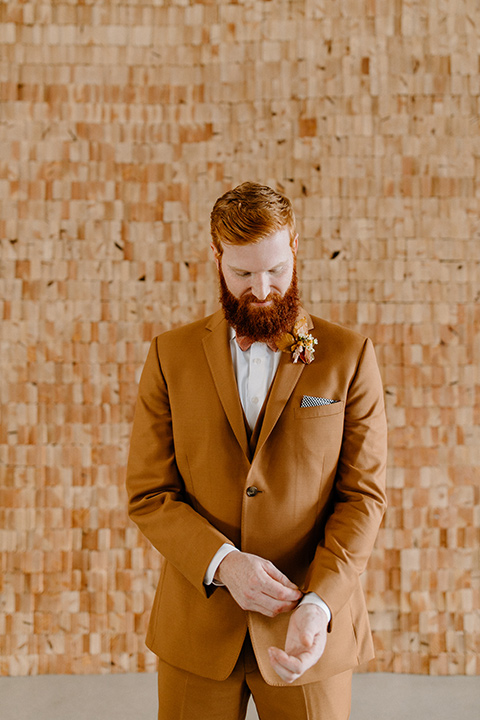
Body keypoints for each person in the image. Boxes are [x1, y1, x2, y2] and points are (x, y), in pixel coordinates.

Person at [126, 182, 387, 720]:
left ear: (295, 245)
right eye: (242, 274)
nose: (262, 289)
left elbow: (363, 498)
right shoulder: (168, 356)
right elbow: (150, 494)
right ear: (216, 258)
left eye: (275, 269)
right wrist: (224, 565)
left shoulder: (349, 356)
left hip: (309, 632)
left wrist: (319, 604)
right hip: (196, 635)